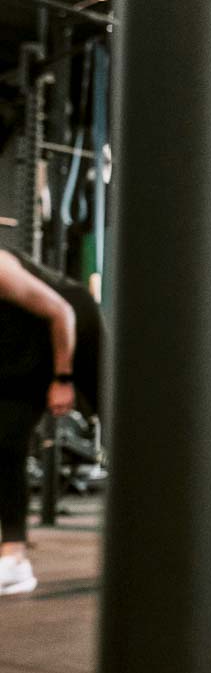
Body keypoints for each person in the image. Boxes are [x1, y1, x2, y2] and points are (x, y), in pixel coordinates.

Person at [0, 250, 104, 595]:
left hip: (73, 325)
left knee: (123, 427)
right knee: (6, 443)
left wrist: (63, 378)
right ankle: (14, 560)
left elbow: (61, 312)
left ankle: (171, 531)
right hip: (20, 347)